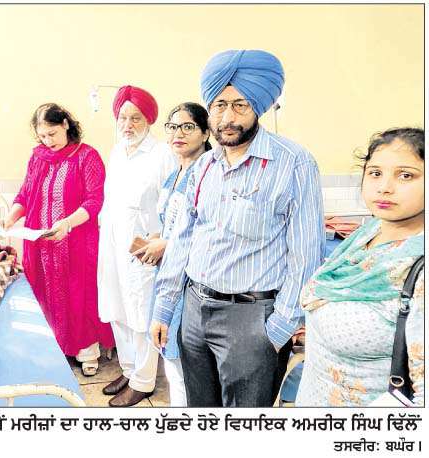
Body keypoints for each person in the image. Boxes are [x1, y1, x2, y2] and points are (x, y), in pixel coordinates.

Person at [150, 49, 325, 407]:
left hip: (252, 319)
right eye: (219, 105)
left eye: (240, 105)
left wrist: (278, 328)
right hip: (195, 311)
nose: (228, 117)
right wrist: (164, 308)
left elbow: (306, 254)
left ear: (258, 107)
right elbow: (182, 240)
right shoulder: (204, 167)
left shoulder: (294, 163)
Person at [296, 128, 424, 406]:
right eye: (375, 173)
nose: (384, 187)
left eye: (406, 175)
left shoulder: (419, 267)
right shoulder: (369, 232)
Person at [3, 103, 114, 376]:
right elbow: (25, 193)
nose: (48, 141)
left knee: (80, 294)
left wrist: (67, 223)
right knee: (47, 296)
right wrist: (12, 216)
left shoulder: (86, 156)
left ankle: (87, 352)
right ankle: (57, 349)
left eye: (52, 134)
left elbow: (94, 201)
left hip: (77, 241)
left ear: (65, 124)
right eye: (42, 136)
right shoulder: (38, 158)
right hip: (42, 245)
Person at [98, 85, 178, 407]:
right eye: (123, 117)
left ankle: (143, 381)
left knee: (141, 313)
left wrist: (160, 241)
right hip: (112, 244)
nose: (128, 124)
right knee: (117, 309)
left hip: (143, 248)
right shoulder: (117, 151)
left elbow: (171, 204)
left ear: (149, 120)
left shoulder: (162, 154)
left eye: (136, 118)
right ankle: (129, 369)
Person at [139, 102, 211, 407]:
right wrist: (156, 241)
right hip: (168, 277)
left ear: (206, 133)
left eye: (187, 127)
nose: (177, 134)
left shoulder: (208, 173)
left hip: (191, 281)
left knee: (183, 363)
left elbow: (207, 233)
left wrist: (166, 245)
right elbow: (171, 223)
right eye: (172, 127)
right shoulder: (174, 174)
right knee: (171, 361)